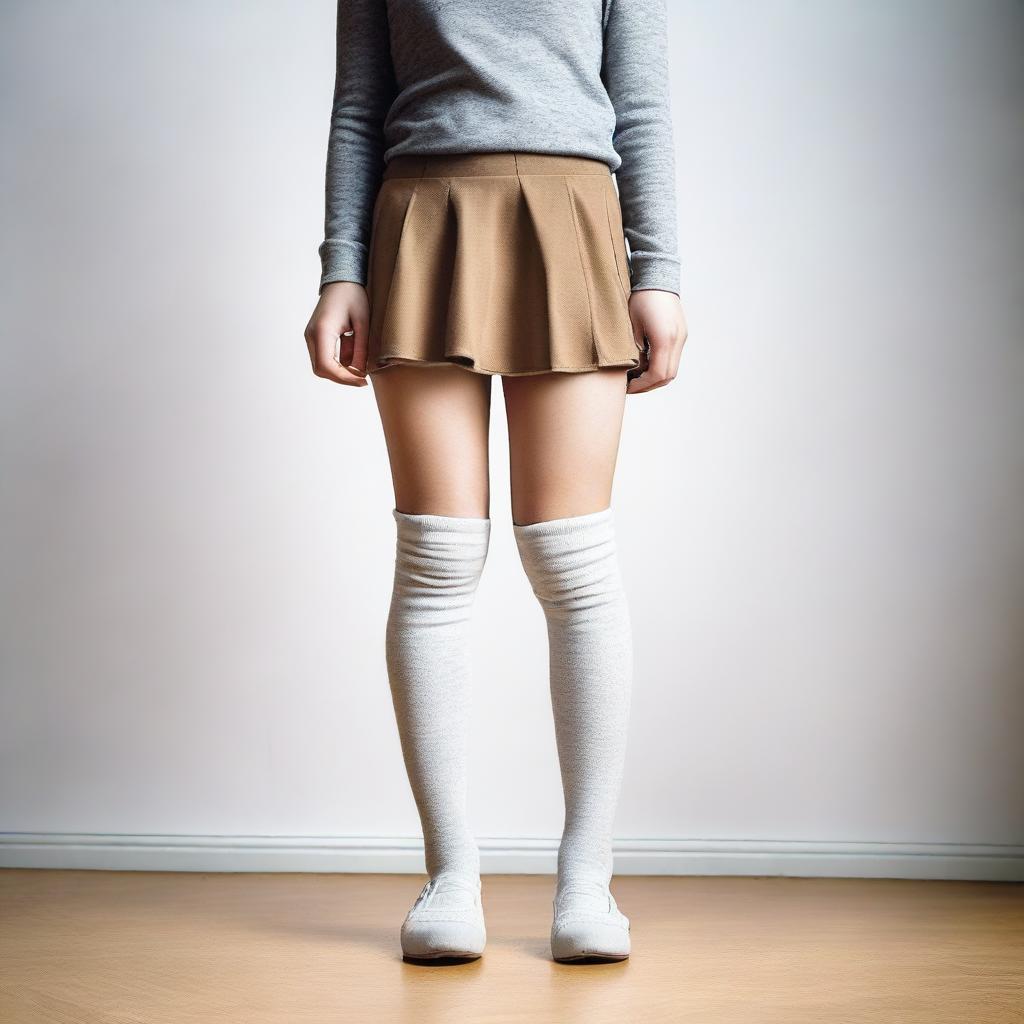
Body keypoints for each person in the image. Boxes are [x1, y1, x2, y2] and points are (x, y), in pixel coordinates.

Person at [303, 0, 687, 965]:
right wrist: (339, 269)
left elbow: (639, 103)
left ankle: (587, 880)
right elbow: (360, 104)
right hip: (423, 214)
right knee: (437, 557)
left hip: (572, 216)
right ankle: (450, 875)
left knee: (574, 561)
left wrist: (661, 269)